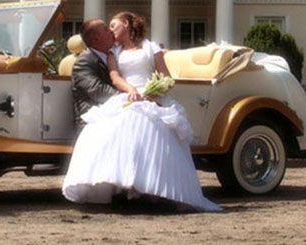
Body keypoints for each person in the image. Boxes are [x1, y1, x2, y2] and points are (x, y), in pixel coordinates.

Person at [62, 12, 221, 212]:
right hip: (129, 95)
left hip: (151, 96)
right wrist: (131, 91)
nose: (111, 30)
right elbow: (115, 77)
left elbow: (165, 77)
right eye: (107, 28)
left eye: (113, 25)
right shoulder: (114, 53)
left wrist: (153, 93)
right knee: (117, 128)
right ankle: (128, 188)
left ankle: (157, 189)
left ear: (126, 24)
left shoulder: (151, 47)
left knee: (155, 131)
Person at [70, 19, 119, 130]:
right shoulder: (84, 61)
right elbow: (97, 91)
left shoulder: (114, 57)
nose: (111, 31)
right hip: (93, 122)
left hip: (114, 116)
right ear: (97, 39)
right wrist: (128, 97)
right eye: (106, 29)